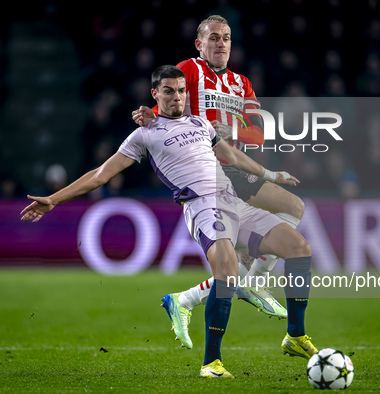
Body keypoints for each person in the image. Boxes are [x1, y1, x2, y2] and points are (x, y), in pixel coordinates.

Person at [21, 66, 317, 377]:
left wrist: (272, 175)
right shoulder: (143, 135)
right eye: (168, 91)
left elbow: (232, 156)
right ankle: (211, 363)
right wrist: (54, 199)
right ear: (155, 95)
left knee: (299, 248)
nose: (176, 97)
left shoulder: (201, 123)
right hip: (203, 207)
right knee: (228, 272)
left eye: (180, 91)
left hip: (233, 201)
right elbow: (101, 174)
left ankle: (295, 336)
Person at [132, 14, 305, 349]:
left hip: (235, 168)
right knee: (289, 211)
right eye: (213, 38)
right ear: (200, 44)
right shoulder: (190, 70)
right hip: (207, 168)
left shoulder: (241, 84)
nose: (220, 44)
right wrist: (148, 114)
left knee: (279, 222)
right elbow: (165, 104)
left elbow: (258, 133)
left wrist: (235, 131)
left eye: (225, 38)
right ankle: (251, 284)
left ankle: (189, 298)